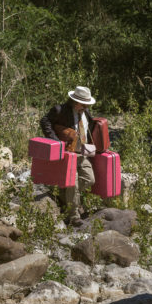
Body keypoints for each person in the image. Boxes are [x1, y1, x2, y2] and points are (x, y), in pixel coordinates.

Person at [40, 86, 97, 227]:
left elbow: (89, 129)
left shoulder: (86, 112)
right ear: (74, 101)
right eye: (84, 104)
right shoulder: (59, 110)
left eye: (87, 104)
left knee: (89, 179)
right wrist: (56, 141)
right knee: (73, 182)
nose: (86, 107)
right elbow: (45, 121)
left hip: (82, 152)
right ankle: (73, 216)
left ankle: (63, 196)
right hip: (67, 153)